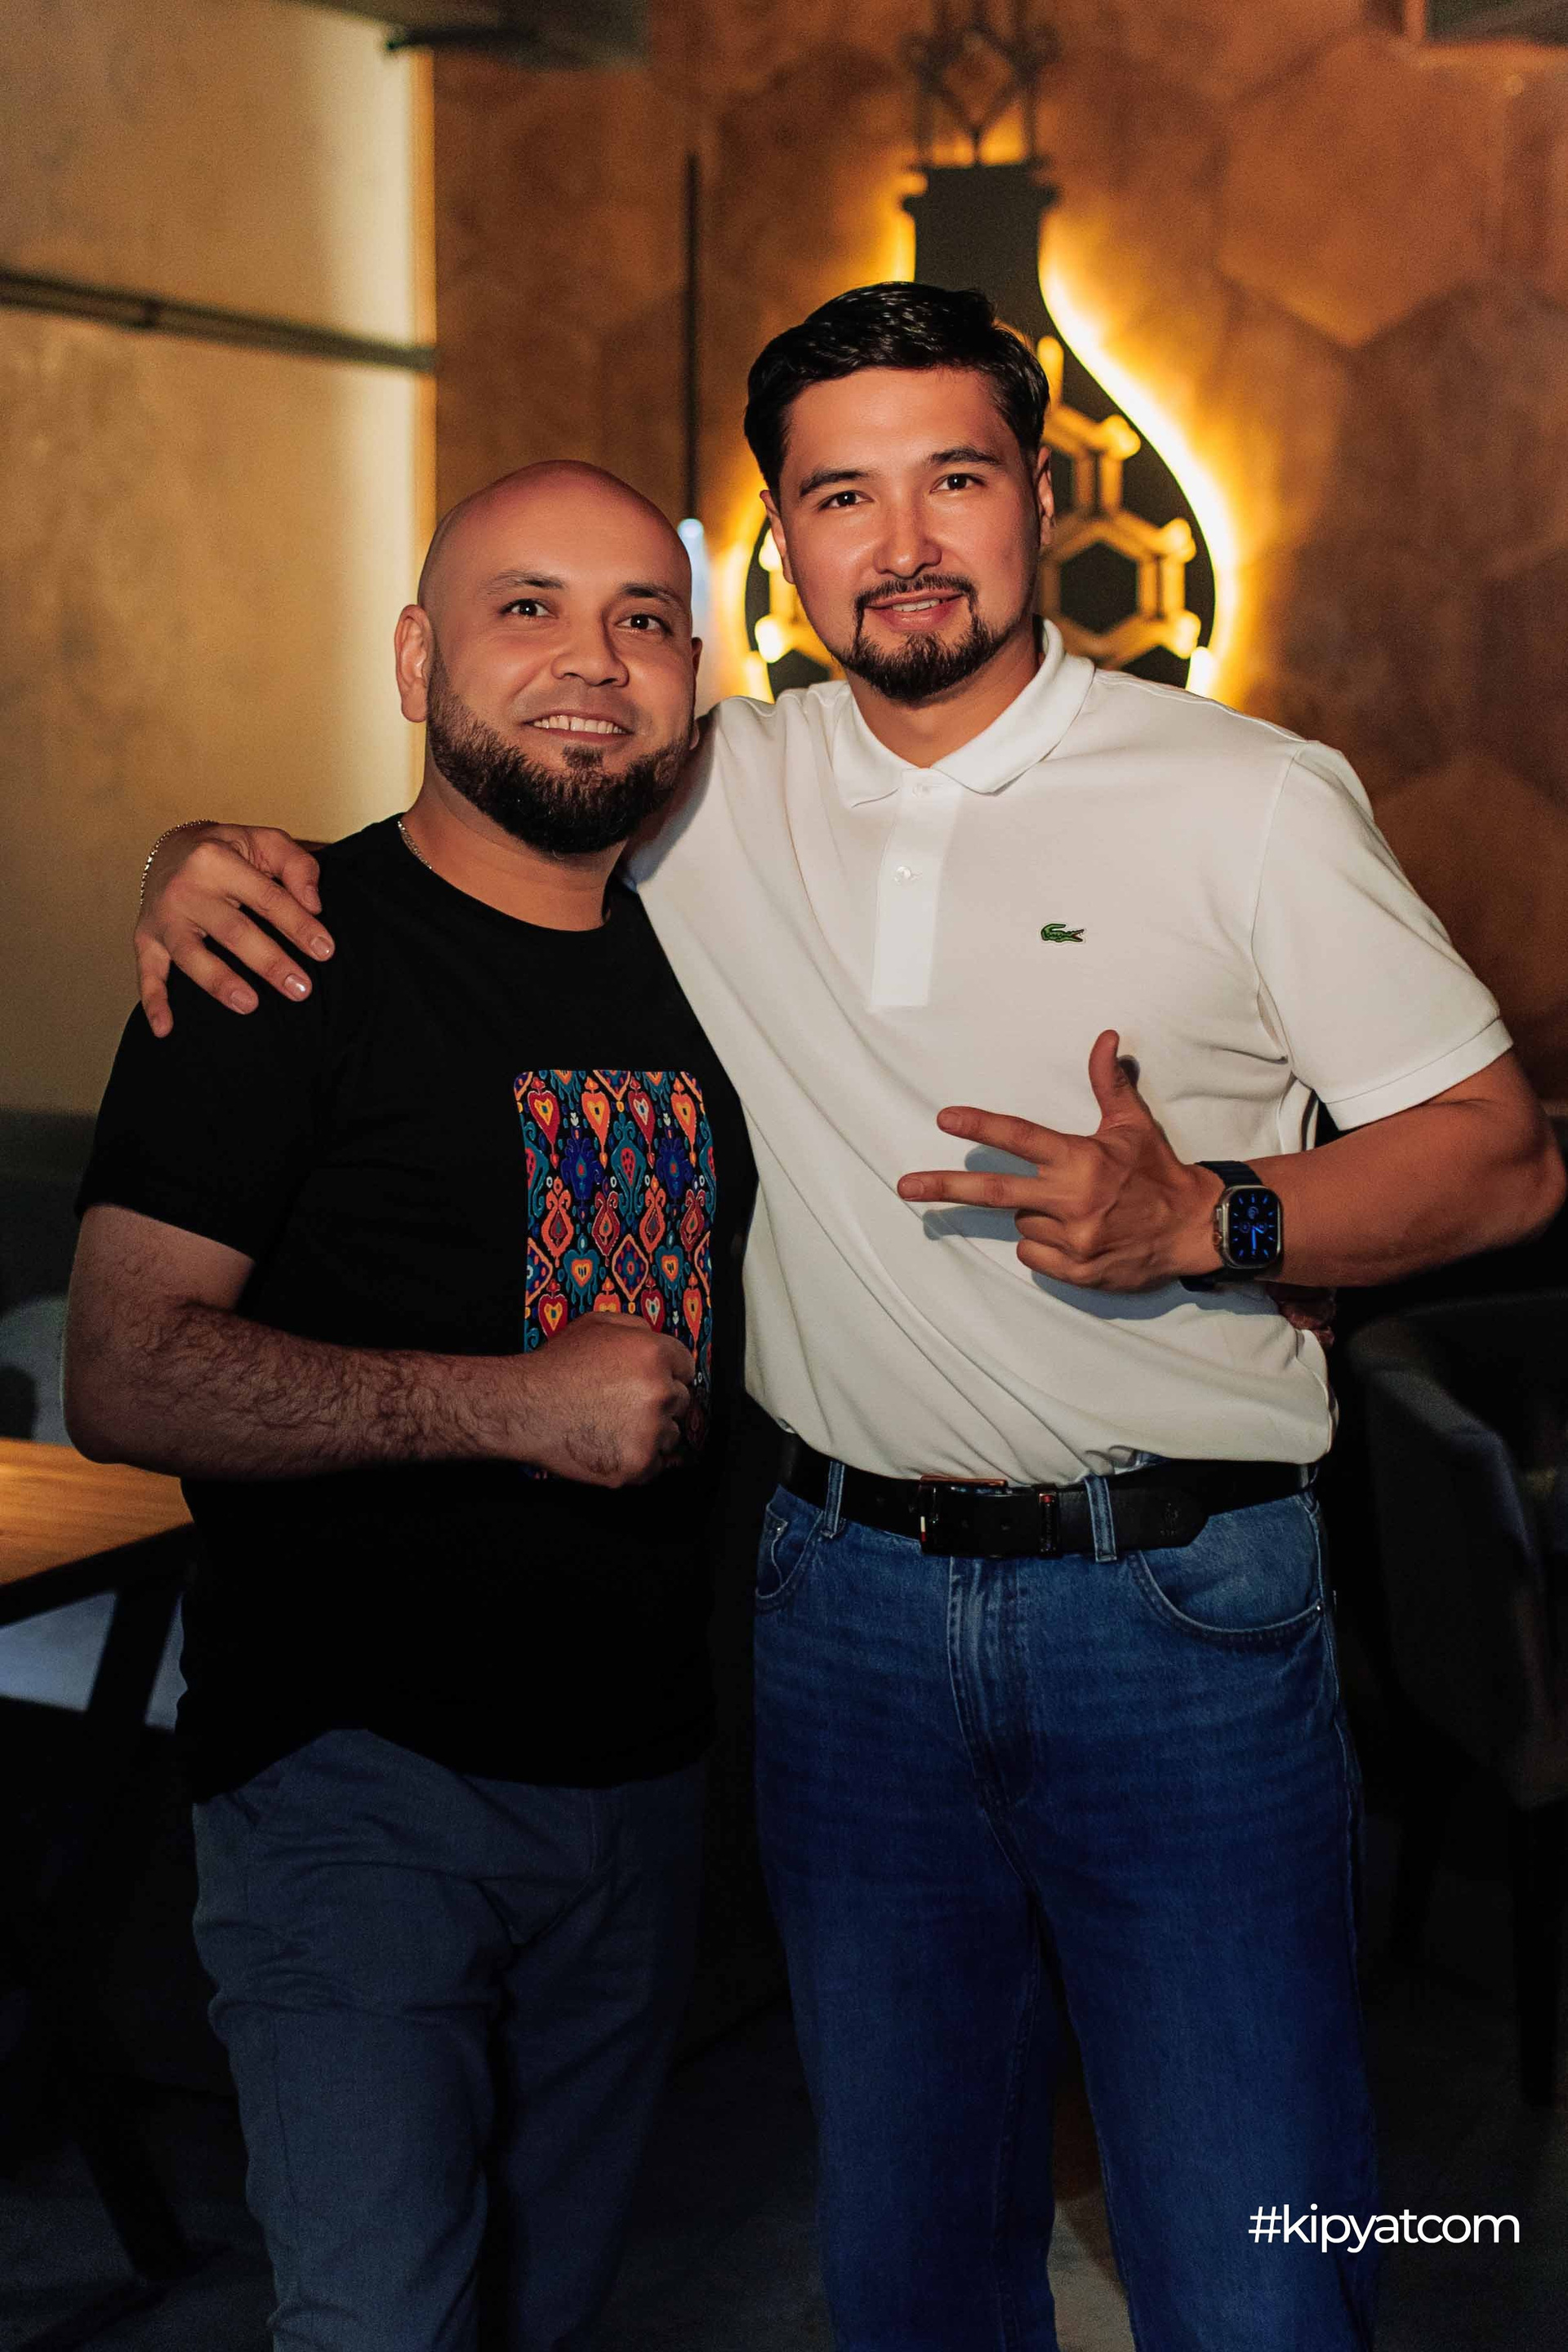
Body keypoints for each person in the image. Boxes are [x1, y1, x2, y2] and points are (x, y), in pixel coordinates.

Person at [134, 285, 1565, 2352]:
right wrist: (201, 854)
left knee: (1256, 2275)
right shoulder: (706, 788)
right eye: (839, 496)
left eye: (952, 478)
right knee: (906, 2274)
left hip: (1179, 1606)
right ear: (782, 542)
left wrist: (1214, 1214)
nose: (901, 543)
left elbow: (1504, 1157)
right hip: (844, 1622)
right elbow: (477, 811)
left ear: (1042, 497)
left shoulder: (1246, 794)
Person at [66, 462, 757, 2352]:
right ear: (412, 661)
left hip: (645, 1785)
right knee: (382, 2322)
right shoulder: (276, 950)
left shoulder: (732, 957)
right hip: (354, 1780)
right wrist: (512, 1409)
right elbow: (125, 1369)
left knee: (540, 2312)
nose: (592, 660)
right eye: (525, 607)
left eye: (641, 618)